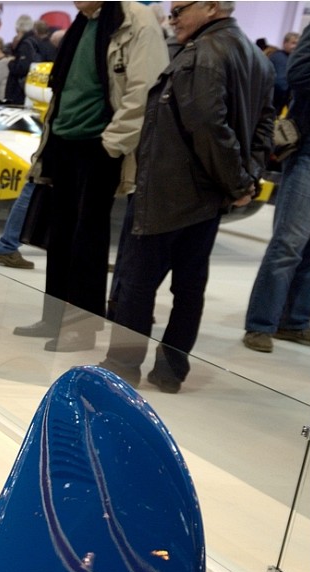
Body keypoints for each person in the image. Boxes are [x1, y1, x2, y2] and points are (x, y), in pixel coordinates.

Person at [100, 0, 274, 393]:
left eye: (179, 10)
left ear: (211, 7)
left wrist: (238, 183)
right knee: (189, 288)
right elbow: (263, 127)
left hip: (170, 191)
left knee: (137, 283)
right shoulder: (254, 57)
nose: (172, 18)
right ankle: (171, 370)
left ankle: (122, 367)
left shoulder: (202, 55)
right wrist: (245, 179)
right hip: (206, 197)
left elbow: (208, 127)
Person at [10, 1, 167, 352]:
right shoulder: (84, 21)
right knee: (60, 235)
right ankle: (54, 318)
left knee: (88, 240)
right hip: (64, 142)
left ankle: (80, 330)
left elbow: (144, 90)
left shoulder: (135, 21)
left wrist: (112, 144)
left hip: (99, 145)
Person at [244, 24, 310, 354]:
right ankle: (261, 324)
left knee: (308, 247)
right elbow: (298, 73)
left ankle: (295, 321)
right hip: (308, 150)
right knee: (289, 241)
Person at [4, 18, 54, 105]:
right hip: (37, 88)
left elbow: (23, 67)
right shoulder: (41, 43)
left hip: (21, 91)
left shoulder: (26, 43)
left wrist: (11, 64)